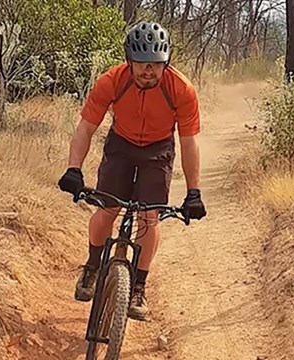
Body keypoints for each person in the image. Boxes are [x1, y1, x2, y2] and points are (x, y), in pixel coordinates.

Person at [57, 21, 207, 321]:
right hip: (121, 145)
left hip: (158, 151)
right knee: (107, 207)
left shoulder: (181, 90)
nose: (148, 71)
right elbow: (86, 128)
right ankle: (92, 266)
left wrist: (193, 192)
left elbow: (189, 143)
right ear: (129, 61)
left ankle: (138, 285)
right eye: (141, 64)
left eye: (155, 65)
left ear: (166, 63)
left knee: (150, 216)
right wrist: (73, 169)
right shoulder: (112, 81)